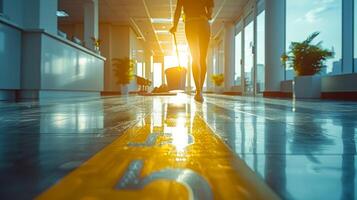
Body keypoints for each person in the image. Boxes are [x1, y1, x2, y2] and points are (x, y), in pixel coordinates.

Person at [170, 0, 214, 103]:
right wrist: (208, 15)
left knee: (195, 57)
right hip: (203, 23)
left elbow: (178, 10)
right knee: (202, 58)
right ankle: (200, 91)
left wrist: (175, 26)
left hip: (190, 23)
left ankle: (198, 91)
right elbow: (210, 9)